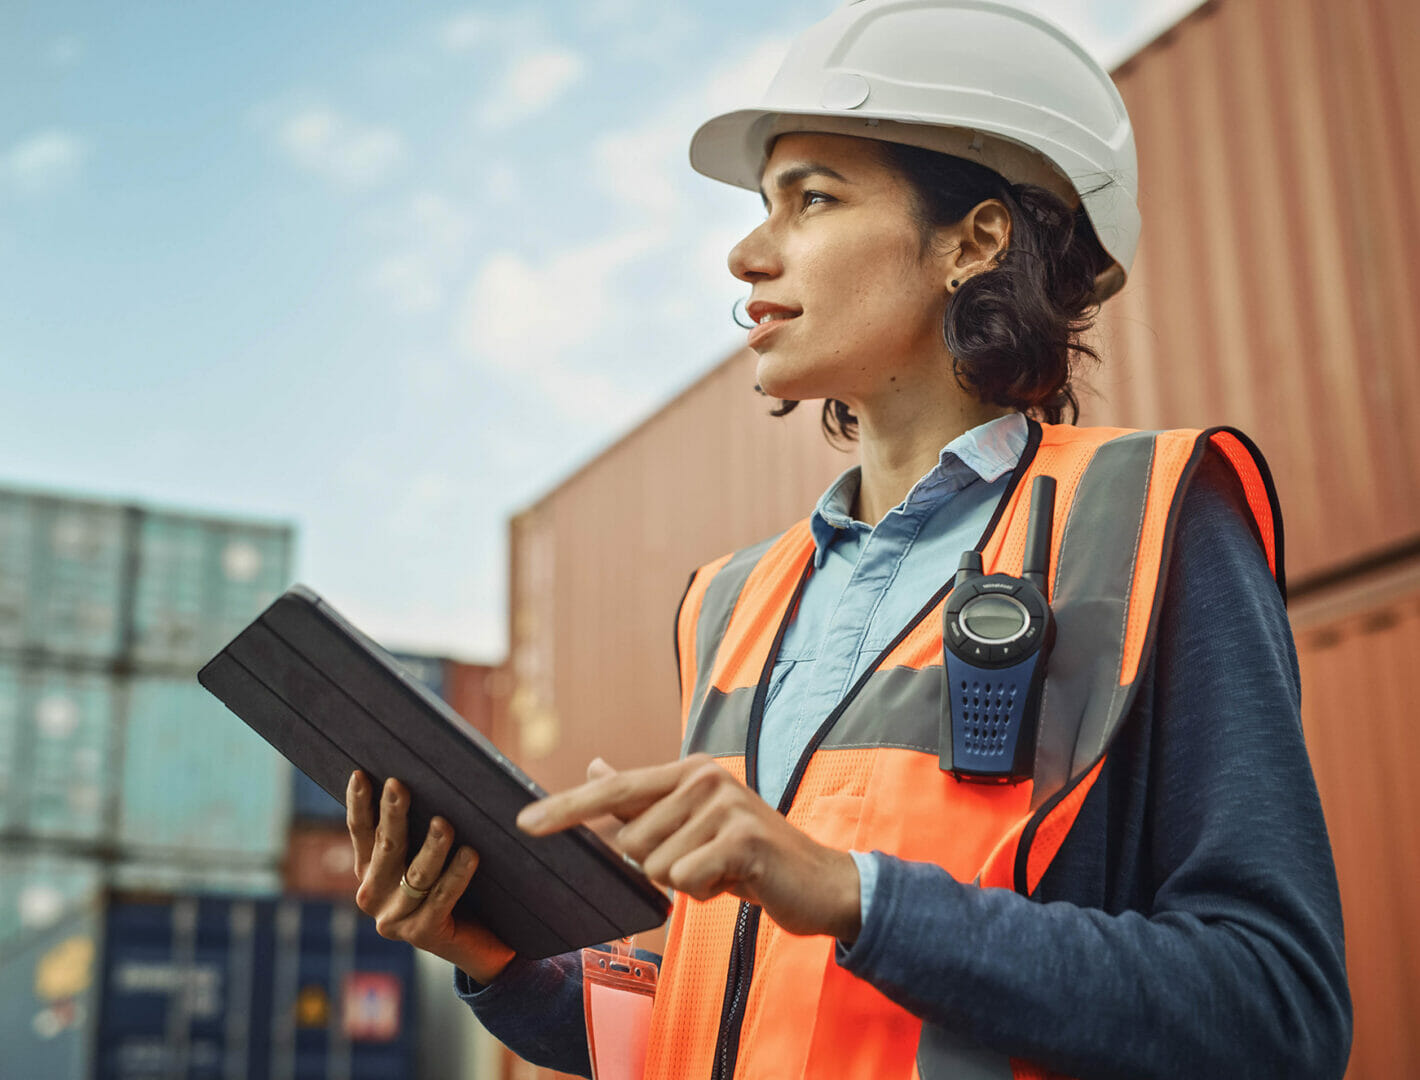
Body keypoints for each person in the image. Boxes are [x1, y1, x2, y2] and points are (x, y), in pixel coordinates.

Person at [343, 2, 1351, 1077]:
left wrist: (852, 892)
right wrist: (508, 967)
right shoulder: (732, 602)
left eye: (809, 199)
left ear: (973, 241)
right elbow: (731, 1020)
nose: (743, 252)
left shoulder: (1149, 520)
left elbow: (1277, 1011)